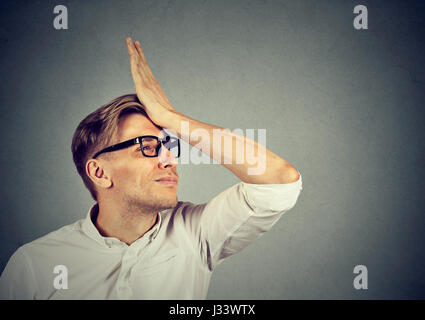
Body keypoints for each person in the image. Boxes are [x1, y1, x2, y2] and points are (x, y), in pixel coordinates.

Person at [0, 37, 303, 299]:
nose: (170, 159)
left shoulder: (196, 233)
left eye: (169, 146)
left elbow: (279, 183)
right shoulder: (35, 265)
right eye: (147, 147)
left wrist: (171, 118)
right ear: (99, 173)